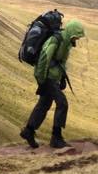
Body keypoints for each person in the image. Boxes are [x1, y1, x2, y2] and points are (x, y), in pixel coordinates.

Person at [20, 20, 86, 149]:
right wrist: (41, 80)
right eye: (77, 36)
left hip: (53, 77)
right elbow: (44, 57)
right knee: (62, 103)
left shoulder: (66, 42)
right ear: (71, 33)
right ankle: (56, 138)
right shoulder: (56, 40)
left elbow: (60, 61)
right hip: (47, 77)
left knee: (44, 104)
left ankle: (28, 131)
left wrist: (61, 79)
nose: (77, 39)